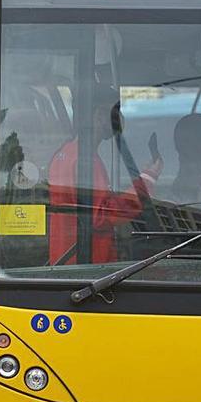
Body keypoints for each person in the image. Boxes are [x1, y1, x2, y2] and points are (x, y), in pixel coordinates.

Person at [46, 82, 162, 265]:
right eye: (116, 111)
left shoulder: (65, 153)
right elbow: (102, 216)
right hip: (88, 266)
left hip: (68, 262)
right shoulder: (85, 160)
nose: (120, 118)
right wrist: (147, 179)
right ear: (100, 115)